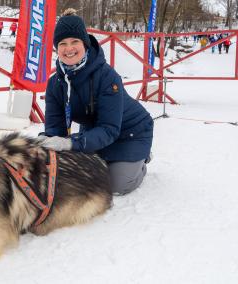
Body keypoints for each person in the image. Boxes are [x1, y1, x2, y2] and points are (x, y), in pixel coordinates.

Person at [40, 9, 153, 195]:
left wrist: (70, 144)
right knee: (77, 177)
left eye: (75, 41)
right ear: (56, 48)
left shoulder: (107, 76)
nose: (69, 49)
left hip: (131, 132)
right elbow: (55, 129)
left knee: (115, 186)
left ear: (85, 44)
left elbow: (110, 129)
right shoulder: (55, 83)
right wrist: (45, 141)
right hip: (94, 131)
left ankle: (141, 161)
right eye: (63, 43)